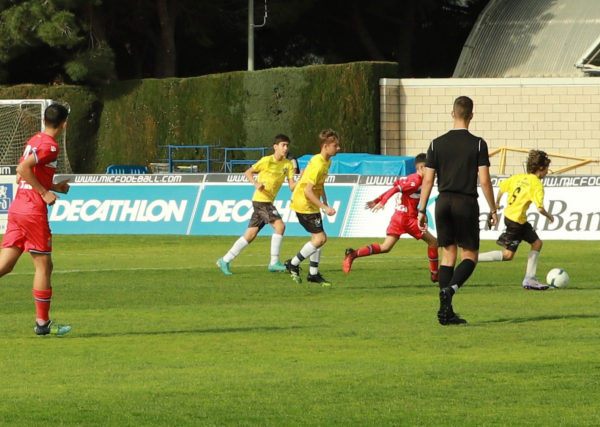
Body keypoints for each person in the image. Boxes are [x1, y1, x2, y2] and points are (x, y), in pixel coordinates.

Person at [418, 96, 498, 326]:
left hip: (442, 202)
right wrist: (493, 209)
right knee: (470, 256)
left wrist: (421, 209)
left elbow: (428, 181)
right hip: (465, 202)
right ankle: (451, 290)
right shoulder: (479, 143)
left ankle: (446, 311)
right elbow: (484, 181)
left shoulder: (436, 143)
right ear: (471, 115)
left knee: (448, 255)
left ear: (452, 113)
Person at [0, 103, 72, 336]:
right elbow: (22, 168)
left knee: (6, 265)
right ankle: (43, 324)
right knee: (44, 265)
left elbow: (29, 173)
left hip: (18, 206)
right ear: (64, 124)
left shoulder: (35, 139)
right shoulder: (51, 146)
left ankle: (43, 323)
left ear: (43, 119)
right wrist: (44, 192)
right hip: (32, 210)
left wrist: (54, 186)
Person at [343, 153, 439, 282]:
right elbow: (395, 189)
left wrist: (378, 199)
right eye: (430, 168)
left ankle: (353, 254)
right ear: (422, 168)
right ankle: (435, 274)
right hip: (407, 219)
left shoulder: (413, 179)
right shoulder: (415, 180)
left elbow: (396, 187)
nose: (432, 171)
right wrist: (382, 202)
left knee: (385, 247)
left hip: (398, 217)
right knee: (433, 242)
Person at [217, 134, 298, 274]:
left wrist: (301, 179)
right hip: (261, 200)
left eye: (287, 145)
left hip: (267, 201)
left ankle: (224, 260)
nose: (285, 148)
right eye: (283, 145)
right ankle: (274, 262)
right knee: (280, 226)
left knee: (250, 234)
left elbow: (292, 187)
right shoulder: (266, 161)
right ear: (275, 147)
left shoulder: (288, 164)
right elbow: (248, 172)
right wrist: (255, 183)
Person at [478, 150, 554, 290]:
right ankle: (473, 258)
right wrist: (550, 216)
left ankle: (529, 279)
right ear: (541, 168)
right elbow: (540, 208)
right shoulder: (536, 184)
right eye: (547, 169)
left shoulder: (517, 177)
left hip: (515, 219)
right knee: (508, 255)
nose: (547, 172)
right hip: (516, 222)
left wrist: (496, 203)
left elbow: (501, 188)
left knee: (537, 243)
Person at [284, 129, 340, 286]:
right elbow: (308, 190)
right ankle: (293, 263)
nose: (338, 148)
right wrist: (324, 207)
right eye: (335, 145)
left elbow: (319, 184)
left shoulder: (326, 161)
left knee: (317, 239)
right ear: (325, 146)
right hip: (304, 203)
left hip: (310, 203)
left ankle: (313, 273)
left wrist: (325, 200)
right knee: (320, 238)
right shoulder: (317, 164)